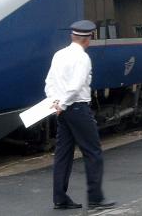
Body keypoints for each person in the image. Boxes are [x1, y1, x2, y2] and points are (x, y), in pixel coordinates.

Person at [45, 20, 116, 210]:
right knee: (93, 152)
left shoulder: (59, 55)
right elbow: (76, 86)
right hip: (77, 109)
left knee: (63, 154)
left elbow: (49, 82)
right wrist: (63, 103)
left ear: (72, 36)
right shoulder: (83, 58)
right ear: (88, 39)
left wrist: (56, 102)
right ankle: (95, 198)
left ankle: (60, 198)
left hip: (63, 111)